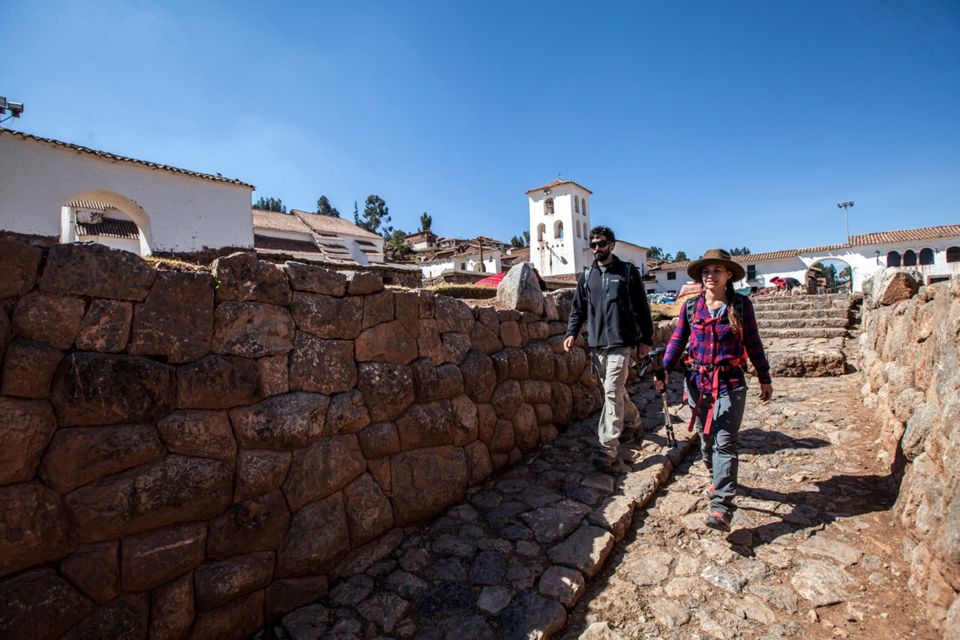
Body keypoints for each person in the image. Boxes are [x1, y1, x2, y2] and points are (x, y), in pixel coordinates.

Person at [656, 248, 773, 532]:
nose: (711, 276)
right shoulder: (691, 307)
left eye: (717, 271)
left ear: (728, 274)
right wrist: (664, 367)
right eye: (706, 272)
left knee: (724, 441)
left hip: (730, 383)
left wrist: (764, 375)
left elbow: (754, 342)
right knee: (706, 439)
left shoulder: (741, 306)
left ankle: (721, 506)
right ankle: (717, 478)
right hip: (696, 382)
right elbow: (677, 339)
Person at [564, 226, 654, 471]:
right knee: (614, 391)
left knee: (612, 392)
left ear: (612, 245)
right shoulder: (586, 276)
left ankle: (607, 450)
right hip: (596, 345)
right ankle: (634, 421)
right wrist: (571, 332)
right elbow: (578, 309)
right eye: (593, 245)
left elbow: (642, 308)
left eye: (601, 244)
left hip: (621, 343)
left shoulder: (627, 272)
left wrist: (646, 339)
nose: (596, 249)